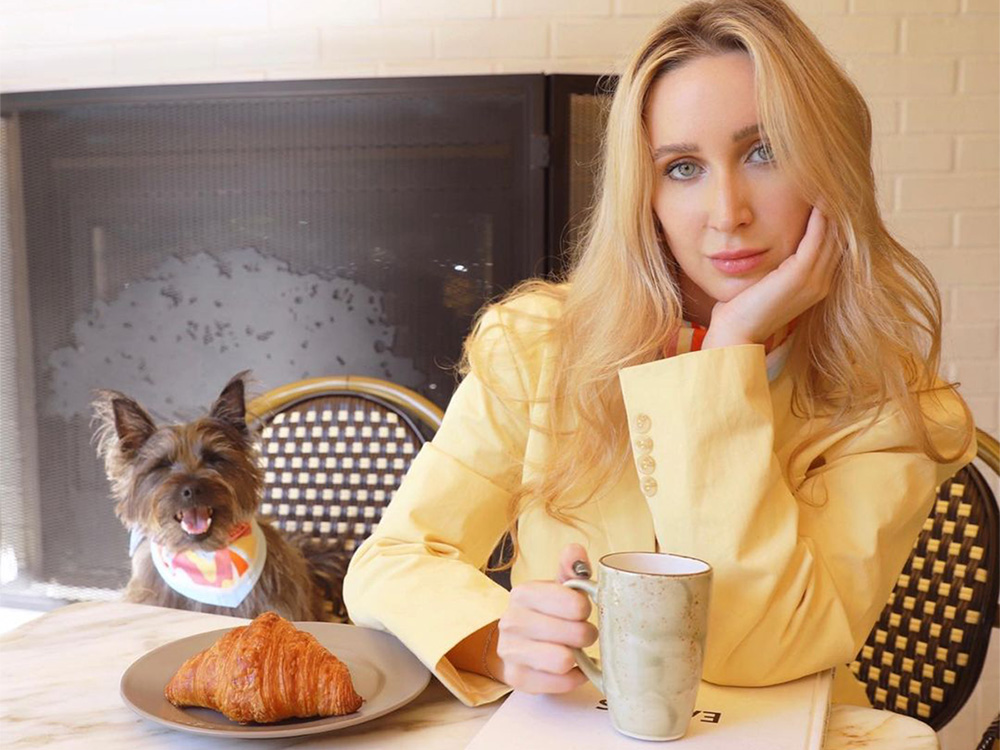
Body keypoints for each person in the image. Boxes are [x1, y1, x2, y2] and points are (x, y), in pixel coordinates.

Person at [343, 0, 976, 708]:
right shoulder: (537, 346)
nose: (726, 210)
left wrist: (727, 355)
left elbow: (756, 649)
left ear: (832, 170)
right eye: (682, 168)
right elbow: (391, 561)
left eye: (765, 152)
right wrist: (500, 640)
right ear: (643, 195)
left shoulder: (894, 406)